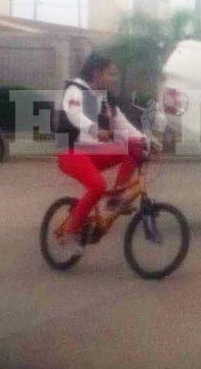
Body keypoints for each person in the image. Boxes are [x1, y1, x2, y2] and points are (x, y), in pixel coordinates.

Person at [55, 54, 146, 255]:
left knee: (133, 147)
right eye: (110, 73)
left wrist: (144, 140)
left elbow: (121, 122)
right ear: (97, 73)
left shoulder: (104, 97)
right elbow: (74, 115)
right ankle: (70, 234)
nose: (114, 78)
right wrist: (95, 130)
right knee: (97, 185)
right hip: (69, 150)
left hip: (91, 150)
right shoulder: (75, 90)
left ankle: (115, 198)